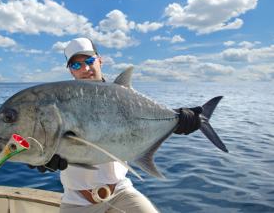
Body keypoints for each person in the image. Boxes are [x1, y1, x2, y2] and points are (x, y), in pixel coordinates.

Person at [28, 38, 203, 213]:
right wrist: (38, 153)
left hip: (121, 193)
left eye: (89, 61)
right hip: (77, 201)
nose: (85, 69)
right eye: (76, 65)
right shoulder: (63, 103)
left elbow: (147, 115)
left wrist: (178, 119)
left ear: (100, 61)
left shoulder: (123, 95)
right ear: (71, 71)